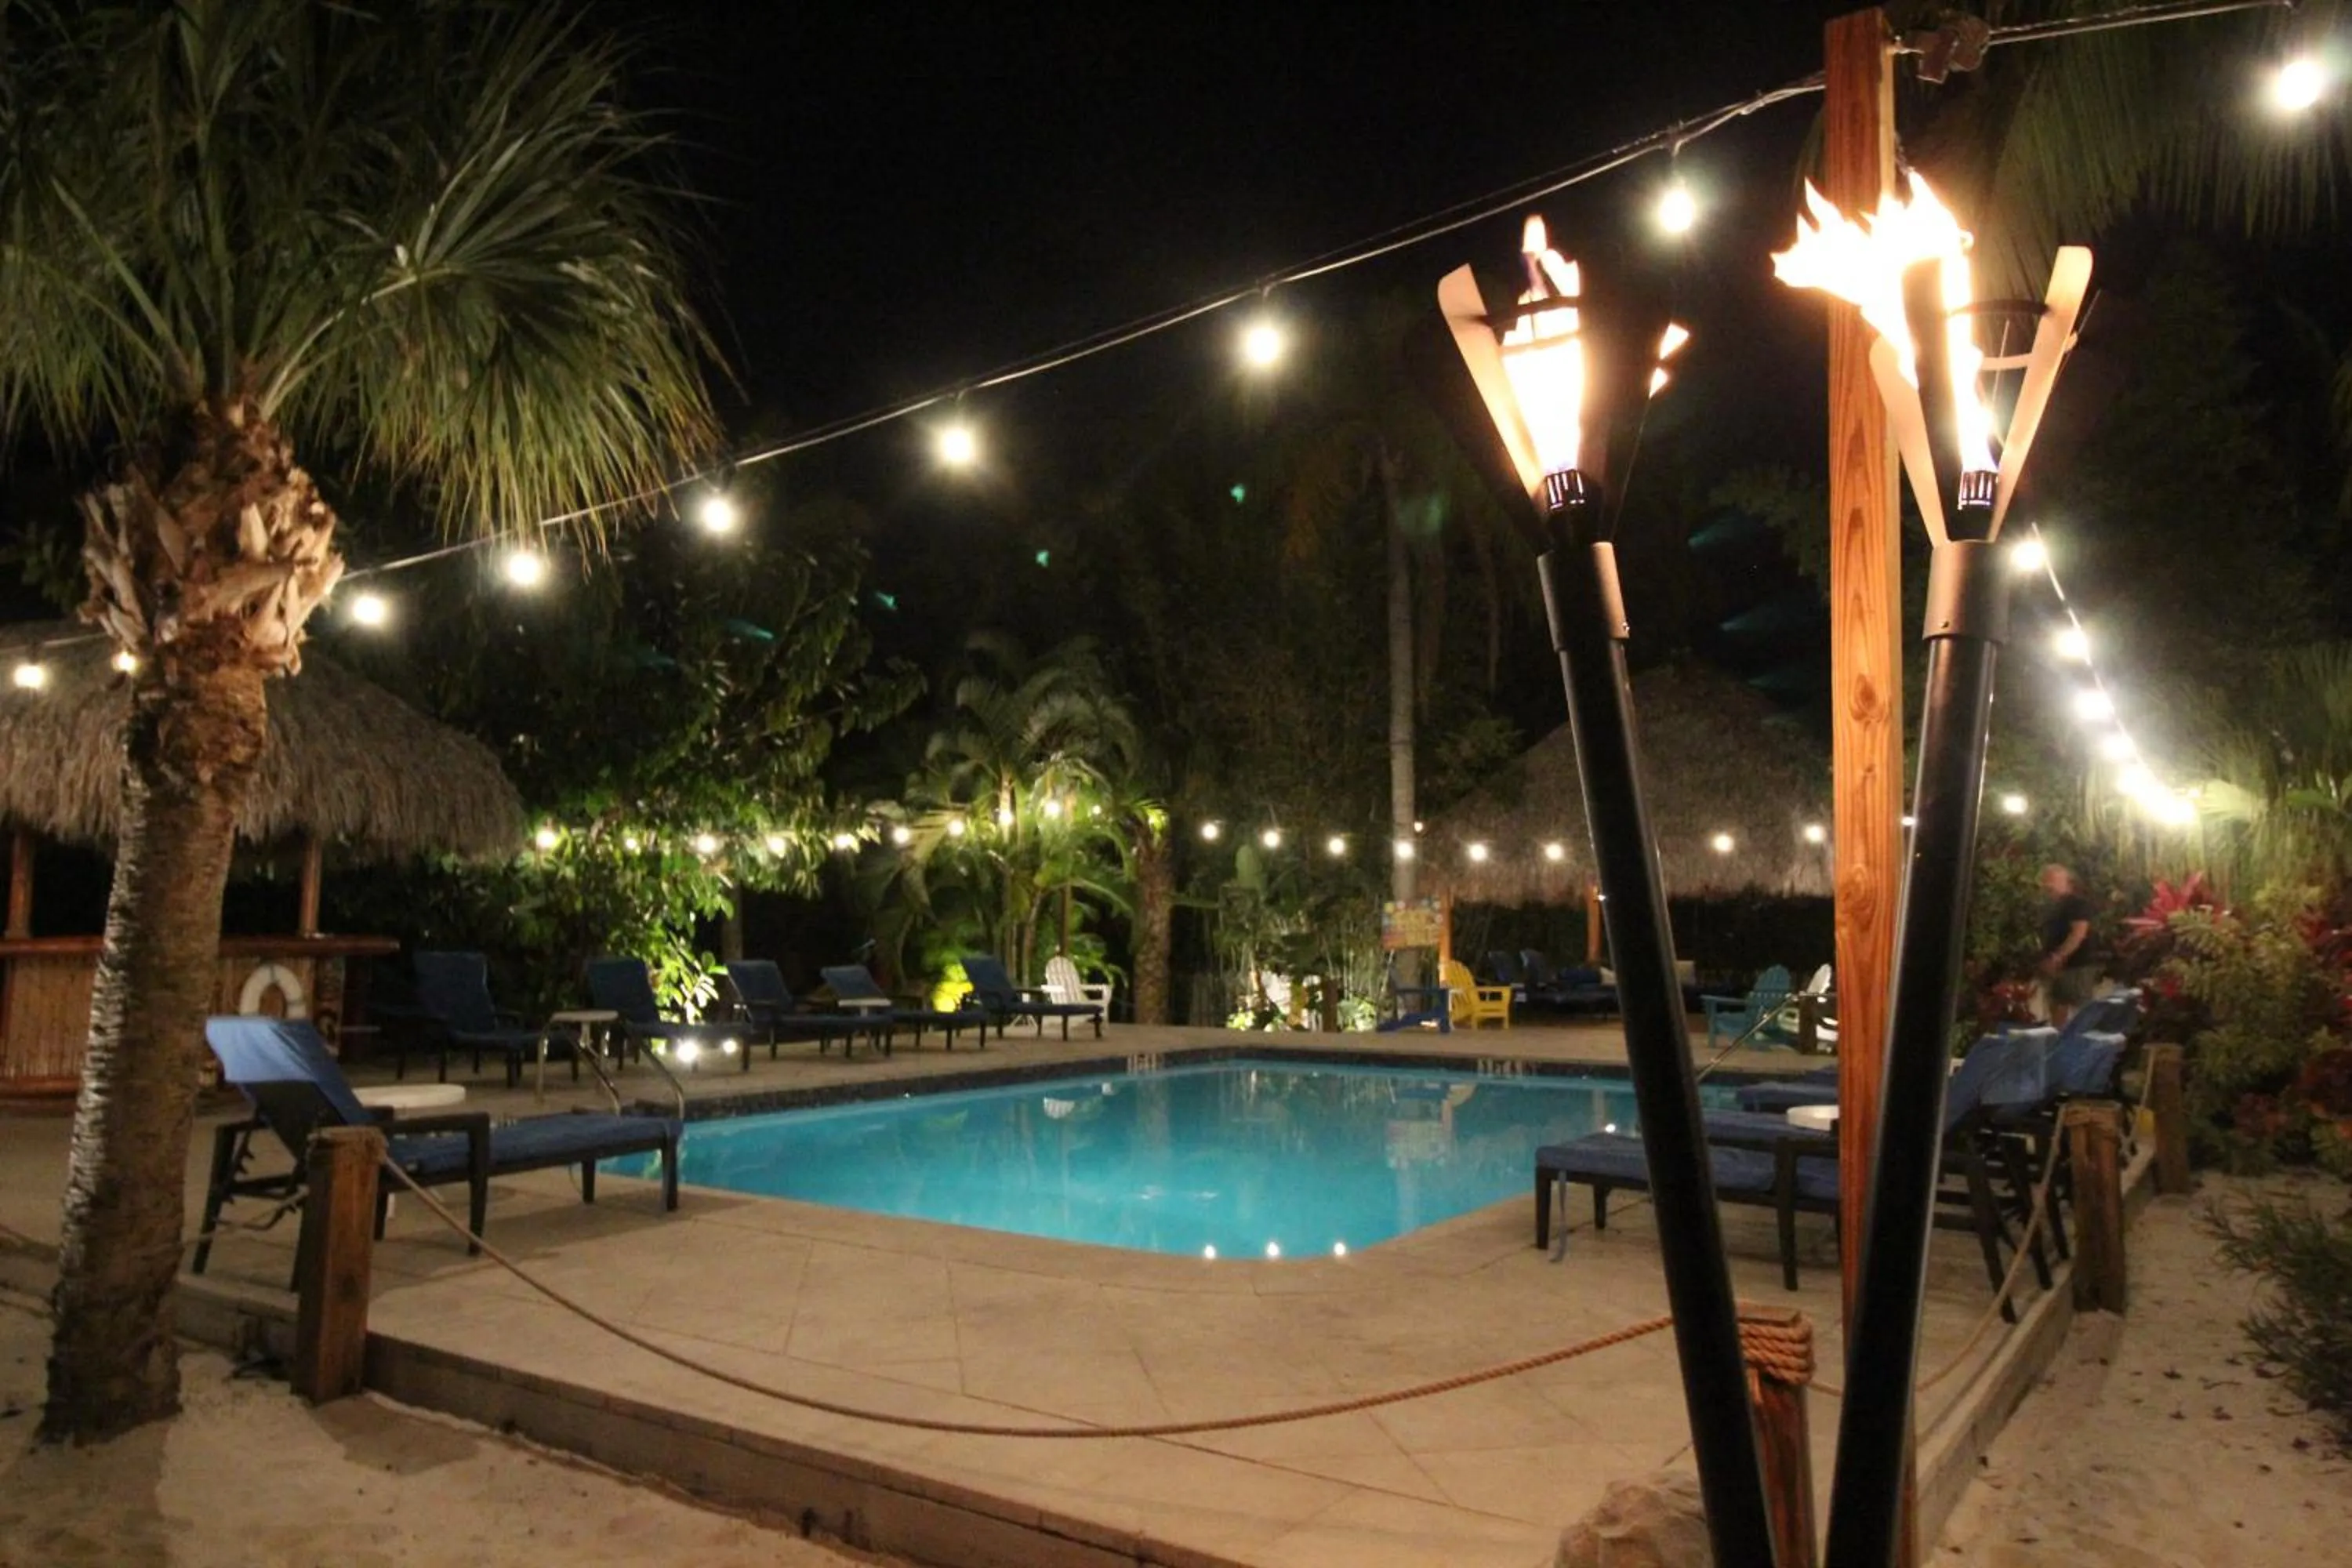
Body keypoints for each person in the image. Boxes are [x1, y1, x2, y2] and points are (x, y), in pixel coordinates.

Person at [2037, 864, 2100, 1028]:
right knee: (2058, 1008)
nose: (2047, 886)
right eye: (2045, 881)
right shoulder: (2052, 907)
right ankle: (2060, 1045)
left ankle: (2078, 1048)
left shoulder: (2077, 904)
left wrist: (2057, 957)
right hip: (2060, 968)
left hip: (2077, 967)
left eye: (2051, 881)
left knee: (2079, 1010)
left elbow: (2078, 934)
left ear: (2066, 882)